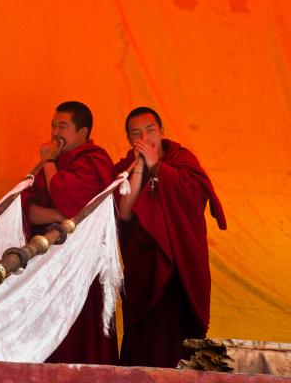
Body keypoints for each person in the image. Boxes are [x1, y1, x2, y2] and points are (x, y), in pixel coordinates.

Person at [114, 106, 227, 368]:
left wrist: (159, 167)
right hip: (145, 274)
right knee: (144, 348)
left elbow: (193, 200)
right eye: (136, 133)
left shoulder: (183, 159)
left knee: (181, 347)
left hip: (181, 272)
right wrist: (142, 167)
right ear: (130, 139)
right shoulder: (125, 168)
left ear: (162, 131)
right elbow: (123, 213)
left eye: (150, 130)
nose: (145, 137)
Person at [21, 101, 118, 365]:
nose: (55, 133)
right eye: (53, 125)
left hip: (81, 266)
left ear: (82, 132)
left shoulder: (95, 160)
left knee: (80, 335)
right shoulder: (51, 164)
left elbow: (67, 199)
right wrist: (55, 216)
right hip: (47, 262)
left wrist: (50, 163)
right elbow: (26, 209)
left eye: (62, 126)